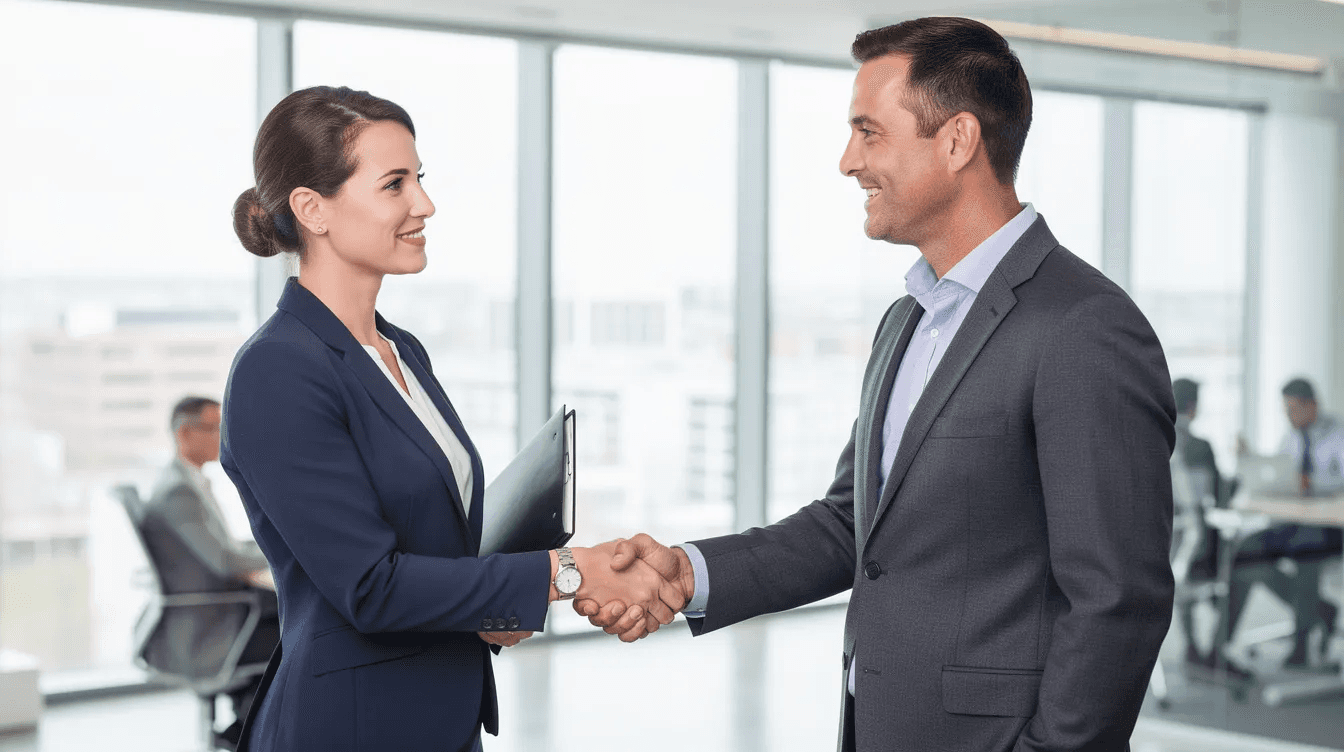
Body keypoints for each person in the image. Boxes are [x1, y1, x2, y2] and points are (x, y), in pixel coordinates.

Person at [581, 18, 1177, 751]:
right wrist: (684, 574)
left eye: (868, 132)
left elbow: (1119, 601)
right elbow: (852, 526)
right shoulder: (908, 318)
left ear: (957, 141)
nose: (847, 162)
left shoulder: (1083, 327)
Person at [220, 86, 682, 752]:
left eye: (420, 179)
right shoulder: (278, 370)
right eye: (394, 184)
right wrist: (568, 572)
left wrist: (494, 607)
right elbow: (370, 587)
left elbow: (430, 546)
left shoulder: (400, 349)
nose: (425, 204)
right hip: (351, 728)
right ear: (312, 209)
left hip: (438, 716)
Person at [143, 396, 279, 749]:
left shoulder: (187, 481)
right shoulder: (179, 492)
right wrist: (280, 550)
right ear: (184, 434)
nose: (222, 435)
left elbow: (226, 549)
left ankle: (250, 724)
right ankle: (257, 729)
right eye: (213, 428)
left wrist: (267, 545)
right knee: (295, 634)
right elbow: (225, 561)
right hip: (208, 627)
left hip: (215, 613)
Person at [1223, 378, 1341, 669]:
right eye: (1285, 410)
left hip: (1331, 527)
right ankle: (1218, 648)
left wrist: (1313, 484)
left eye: (1293, 409)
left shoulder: (1338, 434)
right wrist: (1251, 463)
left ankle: (1301, 645)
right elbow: (1279, 476)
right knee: (1246, 552)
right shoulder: (1291, 438)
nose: (1288, 416)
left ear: (1312, 405)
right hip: (1294, 521)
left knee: (1307, 551)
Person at [1168, 378, 1254, 681]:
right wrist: (1244, 464)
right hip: (1199, 553)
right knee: (1246, 563)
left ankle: (1191, 647)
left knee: (1182, 553)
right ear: (1193, 407)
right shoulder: (1200, 447)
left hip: (1161, 550)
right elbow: (1222, 496)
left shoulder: (1151, 444)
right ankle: (1217, 650)